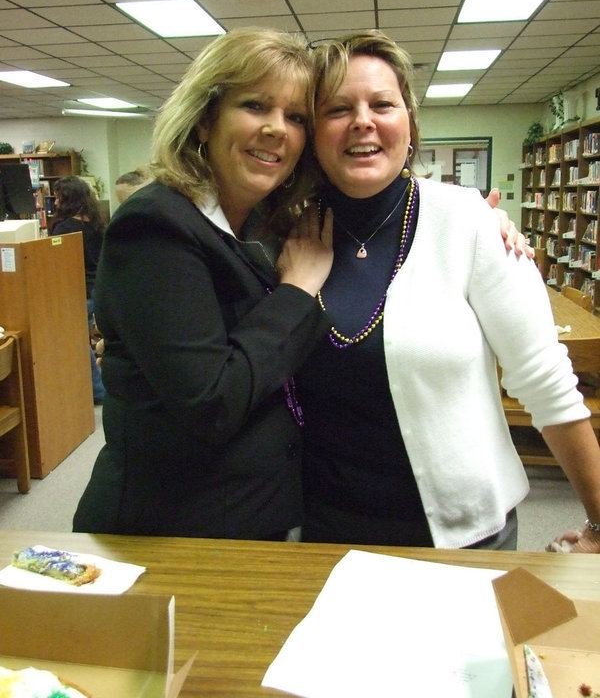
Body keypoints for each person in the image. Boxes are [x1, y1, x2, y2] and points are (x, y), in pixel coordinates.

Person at [296, 29, 600, 554]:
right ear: (313, 132)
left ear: (409, 124)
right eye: (337, 109)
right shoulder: (284, 233)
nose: (363, 121)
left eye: (382, 104)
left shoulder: (470, 224)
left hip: (465, 537)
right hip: (320, 532)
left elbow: (547, 383)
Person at [72, 28, 334, 540]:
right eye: (256, 105)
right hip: (173, 530)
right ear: (204, 118)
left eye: (296, 116)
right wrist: (297, 293)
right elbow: (211, 402)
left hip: (255, 516)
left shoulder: (264, 225)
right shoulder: (156, 225)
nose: (278, 129)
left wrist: (466, 220)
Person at [50, 176, 106, 405]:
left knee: (78, 344)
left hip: (77, 292)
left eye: (58, 197)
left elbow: (55, 264)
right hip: (96, 289)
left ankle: (98, 391)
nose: (54, 202)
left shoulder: (64, 229)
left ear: (68, 199)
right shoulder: (97, 224)